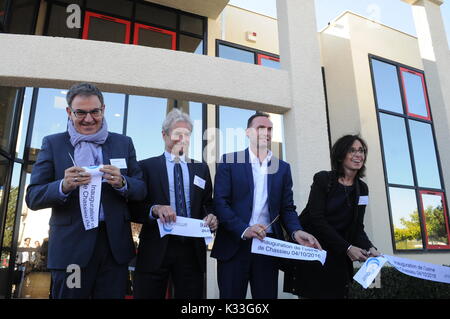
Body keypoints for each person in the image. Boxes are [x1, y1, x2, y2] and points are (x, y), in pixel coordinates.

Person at [25, 82, 146, 299]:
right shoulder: (53, 144)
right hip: (72, 249)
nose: (89, 119)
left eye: (95, 112)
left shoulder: (123, 143)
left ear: (103, 110)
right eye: (81, 112)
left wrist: (122, 182)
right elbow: (33, 197)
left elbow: (141, 189)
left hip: (113, 249)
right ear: (69, 112)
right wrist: (63, 186)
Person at [211, 111, 322, 299]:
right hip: (233, 246)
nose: (266, 132)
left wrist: (296, 231)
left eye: (270, 129)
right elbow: (220, 203)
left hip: (267, 247)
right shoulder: (229, 161)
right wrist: (244, 229)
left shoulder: (283, 168)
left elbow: (287, 208)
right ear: (247, 132)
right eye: (260, 128)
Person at [131, 108, 217, 299]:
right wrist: (155, 209)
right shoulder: (146, 167)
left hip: (191, 251)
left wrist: (211, 217)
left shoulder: (201, 169)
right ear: (164, 135)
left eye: (187, 134)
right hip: (155, 249)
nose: (182, 139)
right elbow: (134, 208)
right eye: (177, 134)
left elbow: (208, 204)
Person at [283, 134, 380, 299]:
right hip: (314, 254)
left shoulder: (362, 189)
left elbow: (357, 227)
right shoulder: (323, 179)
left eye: (361, 151)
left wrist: (370, 247)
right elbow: (316, 219)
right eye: (352, 150)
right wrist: (348, 248)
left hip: (339, 260)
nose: (359, 155)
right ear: (341, 155)